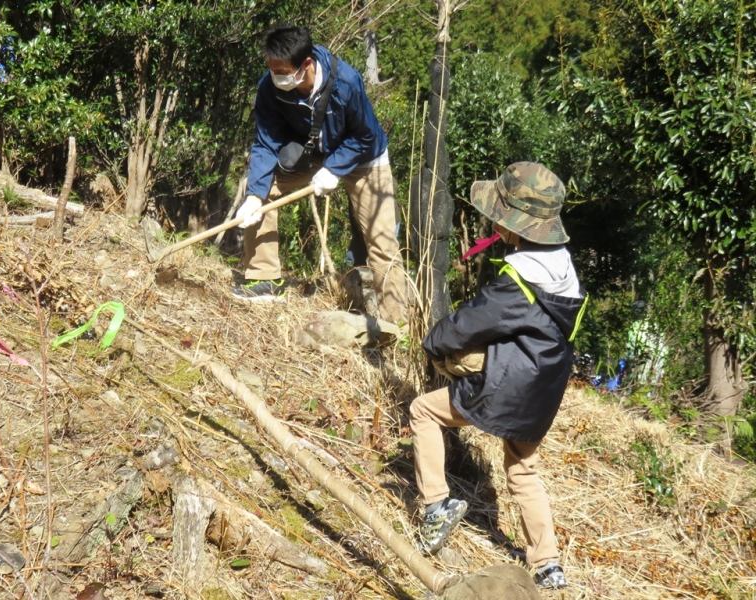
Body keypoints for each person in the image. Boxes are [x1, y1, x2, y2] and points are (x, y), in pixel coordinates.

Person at [408, 162, 588, 589]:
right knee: (524, 469)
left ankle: (435, 508)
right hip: (543, 391)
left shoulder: (520, 280)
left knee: (422, 412)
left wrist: (433, 343)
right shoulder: (565, 271)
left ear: (516, 224)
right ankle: (547, 564)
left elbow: (472, 322)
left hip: (505, 387)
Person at [232, 24, 408, 323]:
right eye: (272, 69)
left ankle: (398, 322)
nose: (277, 77)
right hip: (314, 154)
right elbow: (266, 142)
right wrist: (254, 196)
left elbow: (364, 136)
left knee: (381, 240)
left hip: (365, 157)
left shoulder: (346, 82)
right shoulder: (269, 88)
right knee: (260, 186)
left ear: (307, 64)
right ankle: (265, 278)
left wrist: (334, 169)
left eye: (282, 70)